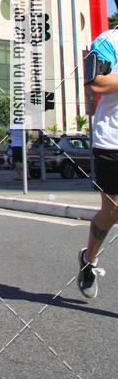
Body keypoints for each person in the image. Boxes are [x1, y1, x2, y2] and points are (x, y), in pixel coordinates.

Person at [78, 29, 118, 298]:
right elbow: (96, 83)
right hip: (112, 141)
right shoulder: (107, 42)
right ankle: (88, 260)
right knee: (113, 212)